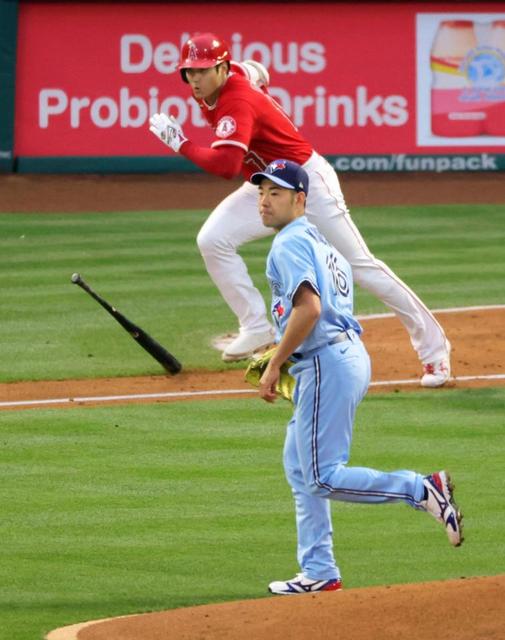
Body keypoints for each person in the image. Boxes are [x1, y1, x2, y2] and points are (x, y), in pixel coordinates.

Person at [149, 32, 451, 387]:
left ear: (222, 67)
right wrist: (256, 74)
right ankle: (256, 327)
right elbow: (254, 71)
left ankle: (435, 352)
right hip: (267, 184)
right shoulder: (227, 82)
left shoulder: (236, 100)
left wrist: (181, 144)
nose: (195, 79)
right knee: (213, 238)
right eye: (189, 72)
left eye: (203, 71)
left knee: (362, 267)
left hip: (309, 184)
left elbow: (227, 164)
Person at [250, 158, 463, 594]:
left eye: (275, 192)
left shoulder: (288, 244)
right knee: (299, 465)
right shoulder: (325, 245)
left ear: (300, 199)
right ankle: (319, 570)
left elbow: (309, 310)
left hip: (328, 362)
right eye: (261, 192)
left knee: (321, 475)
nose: (264, 201)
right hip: (344, 357)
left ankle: (421, 489)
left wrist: (275, 364)